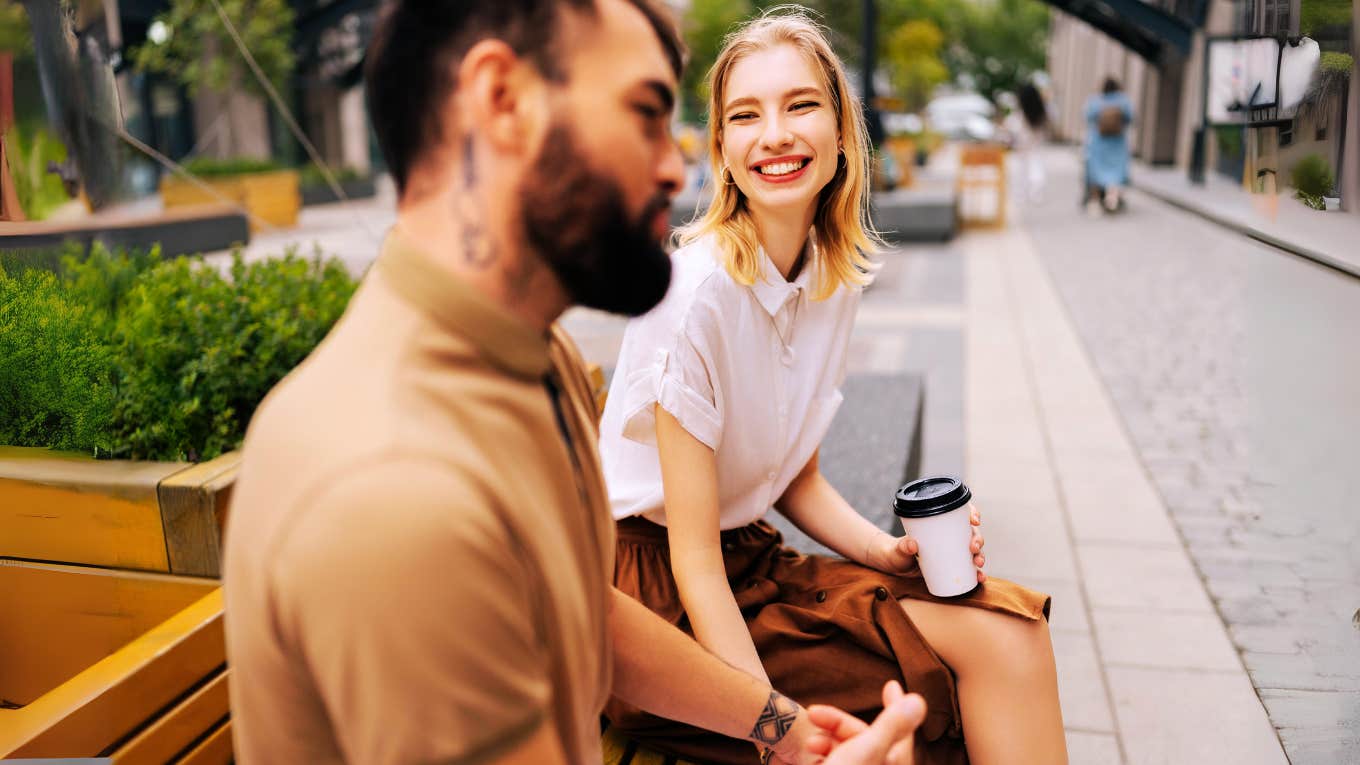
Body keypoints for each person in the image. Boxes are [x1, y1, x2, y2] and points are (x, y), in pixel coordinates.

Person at [221, 1, 924, 763]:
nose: (674, 166)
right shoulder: (395, 491)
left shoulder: (530, 353)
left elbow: (592, 620)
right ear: (503, 102)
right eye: (645, 113)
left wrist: (786, 733)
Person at [598, 9, 1068, 765]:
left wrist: (888, 553)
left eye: (801, 105)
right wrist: (770, 730)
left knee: (1012, 626)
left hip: (747, 558)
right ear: (721, 148)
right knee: (949, 678)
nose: (775, 135)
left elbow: (794, 472)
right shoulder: (693, 301)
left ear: (843, 131)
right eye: (745, 116)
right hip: (661, 601)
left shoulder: (828, 275)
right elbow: (692, 563)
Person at [1083, 77, 1134, 215]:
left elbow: (1087, 117)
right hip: (1117, 143)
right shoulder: (1123, 101)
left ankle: (1094, 202)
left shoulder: (1095, 101)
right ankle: (1112, 198)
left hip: (1098, 143)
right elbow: (1131, 118)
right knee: (1115, 172)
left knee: (1096, 172)